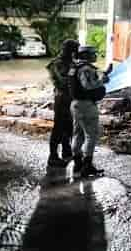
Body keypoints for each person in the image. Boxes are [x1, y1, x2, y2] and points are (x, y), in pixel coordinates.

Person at [69, 45, 110, 177]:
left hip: (75, 104)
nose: (95, 56)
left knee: (78, 134)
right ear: (86, 55)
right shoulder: (86, 69)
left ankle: (77, 164)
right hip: (86, 105)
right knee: (91, 135)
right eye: (93, 54)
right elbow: (88, 86)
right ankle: (87, 166)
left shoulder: (74, 67)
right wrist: (102, 80)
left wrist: (103, 74)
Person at [45, 39, 79, 167]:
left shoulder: (71, 63)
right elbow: (62, 82)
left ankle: (66, 150)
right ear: (69, 51)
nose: (76, 53)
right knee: (58, 128)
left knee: (69, 126)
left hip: (71, 99)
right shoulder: (56, 64)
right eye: (75, 50)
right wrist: (74, 73)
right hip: (61, 99)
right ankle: (53, 156)